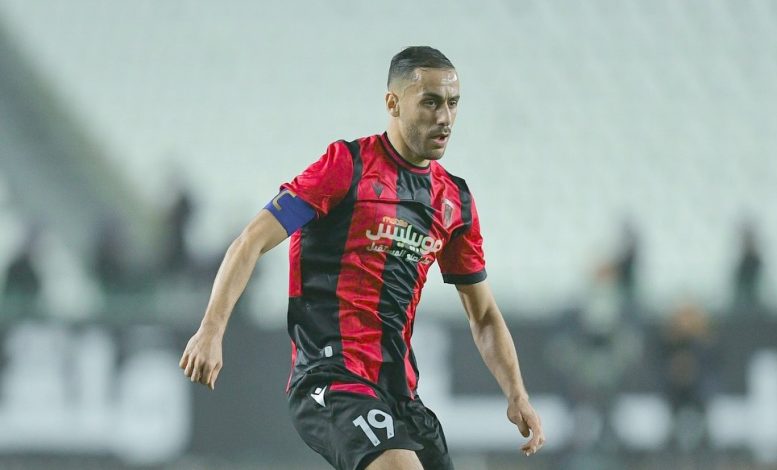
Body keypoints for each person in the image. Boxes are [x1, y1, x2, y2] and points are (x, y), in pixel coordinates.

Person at [179, 46, 544, 470]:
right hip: (331, 379)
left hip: (400, 394)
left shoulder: (454, 201)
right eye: (430, 102)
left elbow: (483, 315)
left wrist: (517, 393)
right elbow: (250, 241)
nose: (445, 117)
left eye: (452, 103)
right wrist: (211, 330)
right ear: (393, 103)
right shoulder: (345, 168)